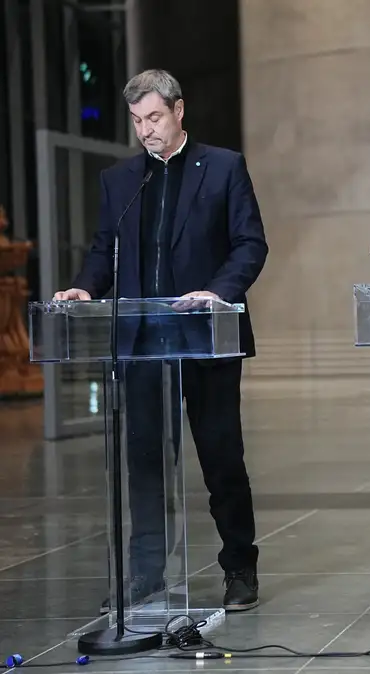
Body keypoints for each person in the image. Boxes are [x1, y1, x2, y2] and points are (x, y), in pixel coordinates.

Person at [54, 69, 268, 612]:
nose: (145, 130)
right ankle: (146, 574)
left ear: (178, 110)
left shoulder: (223, 167)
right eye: (136, 121)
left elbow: (249, 244)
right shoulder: (122, 181)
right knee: (146, 462)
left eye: (153, 117)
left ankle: (239, 567)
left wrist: (217, 291)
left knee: (221, 457)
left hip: (205, 335)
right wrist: (85, 287)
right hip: (143, 344)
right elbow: (104, 249)